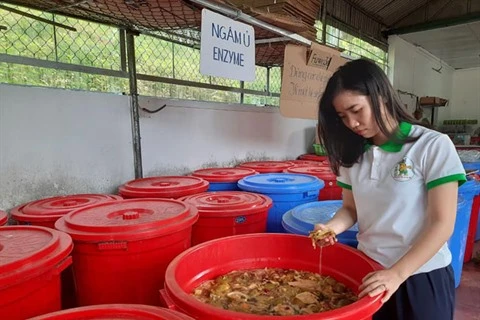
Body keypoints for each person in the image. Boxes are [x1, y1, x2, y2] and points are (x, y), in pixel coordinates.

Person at [315, 59, 466, 320]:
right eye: (343, 116)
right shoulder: (353, 155)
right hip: (371, 274)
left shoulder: (431, 145)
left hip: (420, 275)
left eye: (356, 110)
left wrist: (397, 274)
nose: (352, 123)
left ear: (381, 96)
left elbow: (442, 224)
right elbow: (351, 209)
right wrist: (332, 227)